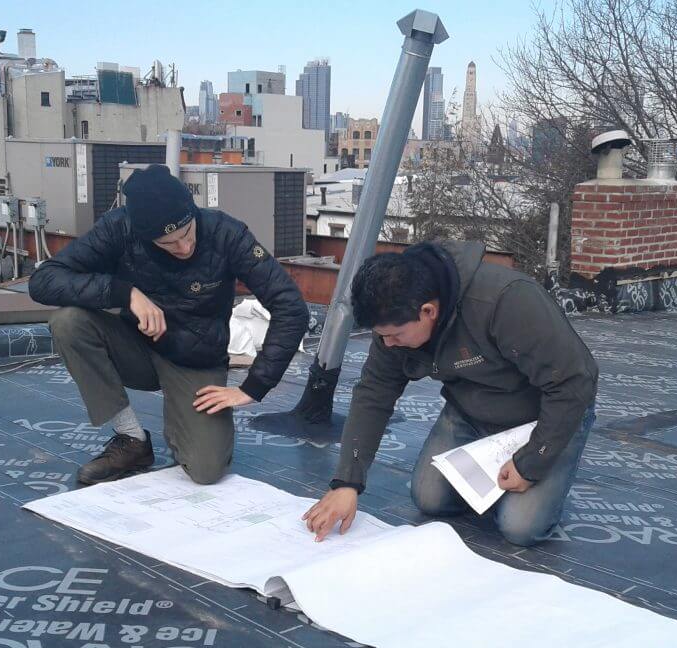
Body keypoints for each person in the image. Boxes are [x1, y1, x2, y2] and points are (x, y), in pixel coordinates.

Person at [302, 240, 598, 546]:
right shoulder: (395, 315)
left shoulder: (505, 301)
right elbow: (373, 393)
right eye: (381, 336)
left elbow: (573, 383)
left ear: (428, 311)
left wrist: (531, 463)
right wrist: (347, 482)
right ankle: (500, 484)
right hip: (471, 411)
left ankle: (539, 481)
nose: (387, 344)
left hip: (544, 414)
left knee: (520, 527)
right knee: (429, 498)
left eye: (394, 335)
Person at [29, 165, 308, 486]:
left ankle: (183, 424)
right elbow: (44, 280)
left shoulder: (227, 234)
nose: (184, 248)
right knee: (68, 322)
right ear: (144, 235)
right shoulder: (119, 229)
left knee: (207, 470)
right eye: (169, 243)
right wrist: (123, 292)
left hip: (195, 359)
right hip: (135, 349)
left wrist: (255, 387)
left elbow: (291, 306)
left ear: (192, 212)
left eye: (187, 234)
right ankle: (131, 439)